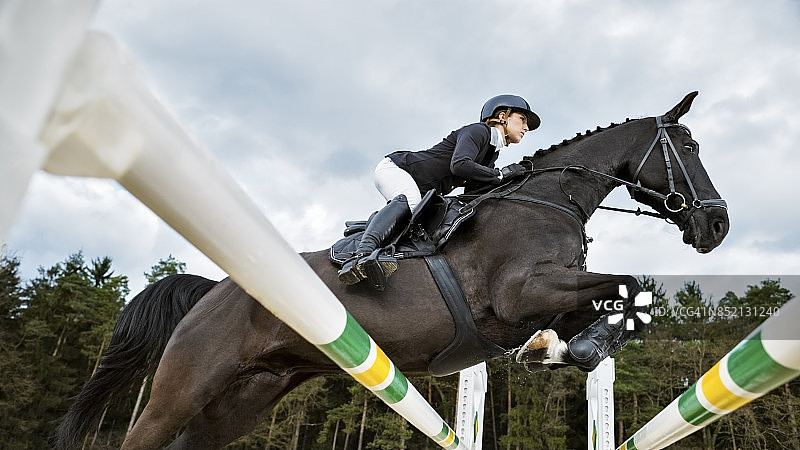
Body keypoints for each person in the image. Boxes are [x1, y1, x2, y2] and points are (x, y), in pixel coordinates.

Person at [338, 94, 541, 290]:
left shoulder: (490, 153)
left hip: (420, 187)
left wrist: (512, 180)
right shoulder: (479, 131)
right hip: (398, 169)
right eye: (522, 119)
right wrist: (500, 175)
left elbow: (472, 192)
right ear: (502, 115)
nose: (525, 128)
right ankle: (361, 255)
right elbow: (460, 165)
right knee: (410, 201)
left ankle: (373, 238)